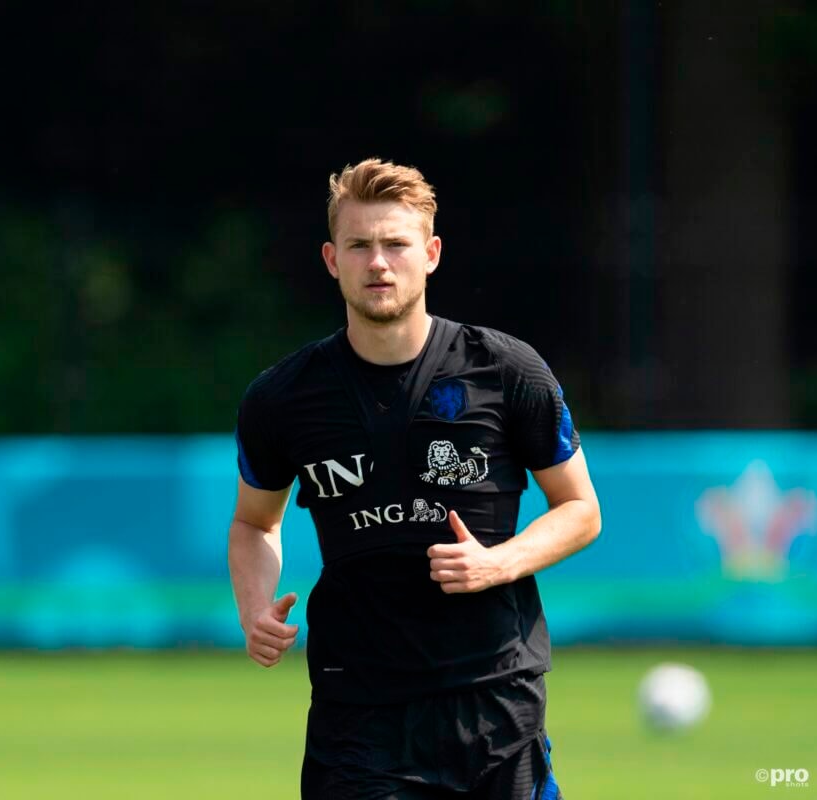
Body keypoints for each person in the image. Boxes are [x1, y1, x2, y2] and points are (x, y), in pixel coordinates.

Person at [228, 158, 601, 799]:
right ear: (331, 260)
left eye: (396, 244)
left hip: (496, 706)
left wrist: (498, 563)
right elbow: (253, 523)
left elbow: (581, 509)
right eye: (359, 246)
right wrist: (254, 608)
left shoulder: (507, 370)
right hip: (358, 720)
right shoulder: (281, 399)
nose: (378, 262)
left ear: (430, 254)